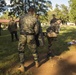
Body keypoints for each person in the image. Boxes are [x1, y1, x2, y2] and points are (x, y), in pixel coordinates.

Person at [18, 7, 40, 72]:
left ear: (28, 11)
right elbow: (36, 31)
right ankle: (36, 62)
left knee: (21, 50)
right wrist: (33, 34)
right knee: (34, 49)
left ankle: (22, 66)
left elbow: (20, 26)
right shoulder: (35, 19)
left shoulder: (21, 17)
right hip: (31, 36)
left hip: (22, 35)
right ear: (33, 11)